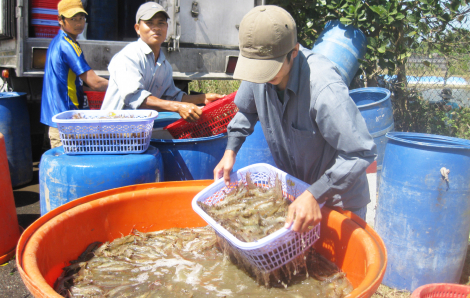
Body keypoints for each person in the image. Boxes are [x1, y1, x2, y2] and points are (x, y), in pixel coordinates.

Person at [213, 5, 377, 233]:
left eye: (270, 68)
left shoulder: (323, 87)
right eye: (257, 68)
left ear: (294, 51)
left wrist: (315, 193)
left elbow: (361, 152)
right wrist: (230, 151)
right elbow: (247, 111)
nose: (263, 76)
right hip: (299, 192)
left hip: (340, 200)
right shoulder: (258, 72)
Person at [100, 2, 223, 122]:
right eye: (149, 23)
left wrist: (203, 98)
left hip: (138, 131)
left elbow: (172, 97)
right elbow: (135, 98)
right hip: (112, 131)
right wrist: (179, 107)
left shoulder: (164, 65)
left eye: (161, 23)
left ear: (167, 28)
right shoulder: (128, 56)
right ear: (137, 28)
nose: (156, 28)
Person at [40, 0, 108, 149]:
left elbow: (68, 82)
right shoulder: (67, 45)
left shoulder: (58, 41)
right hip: (65, 122)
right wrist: (121, 86)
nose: (79, 23)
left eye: (81, 18)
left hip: (60, 119)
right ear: (60, 20)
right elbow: (94, 82)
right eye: (73, 19)